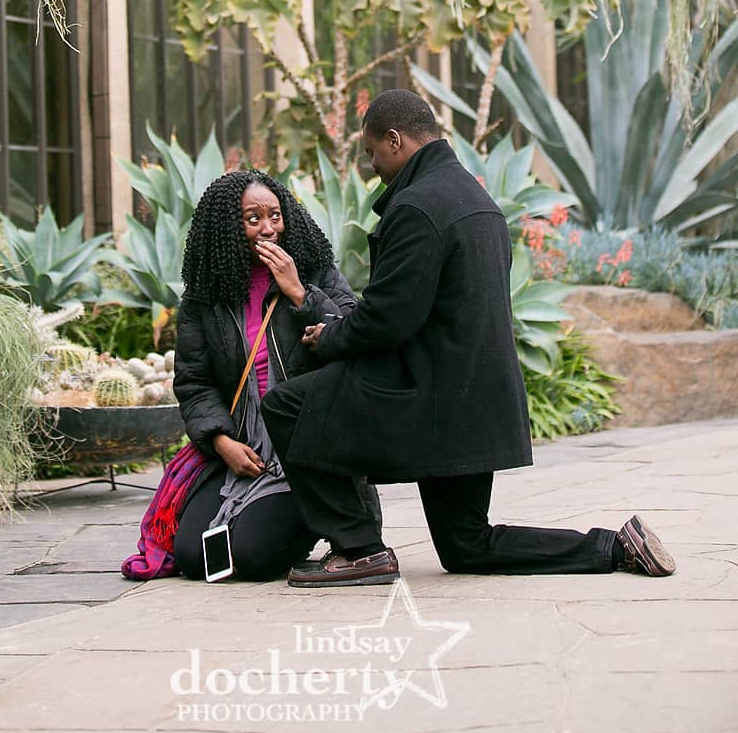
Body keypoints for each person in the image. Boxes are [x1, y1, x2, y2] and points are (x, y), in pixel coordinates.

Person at [262, 89, 676, 588]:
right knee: (466, 545)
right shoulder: (476, 198)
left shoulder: (416, 206)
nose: (372, 165)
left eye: (372, 152)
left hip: (427, 397)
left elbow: (390, 318)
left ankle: (359, 549)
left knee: (289, 405)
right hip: (474, 396)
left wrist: (329, 338)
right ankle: (614, 546)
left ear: (394, 140)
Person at [171, 169, 376, 581]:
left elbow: (356, 334)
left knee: (253, 557)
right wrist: (220, 439)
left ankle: (324, 518)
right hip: (242, 446)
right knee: (193, 558)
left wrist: (300, 292)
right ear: (229, 227)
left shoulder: (315, 271)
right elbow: (194, 381)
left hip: (304, 448)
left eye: (275, 216)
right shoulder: (205, 296)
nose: (268, 229)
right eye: (253, 219)